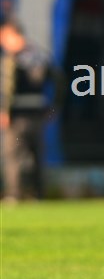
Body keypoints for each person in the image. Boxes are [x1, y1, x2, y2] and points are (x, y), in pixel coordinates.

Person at [0, 17, 63, 202]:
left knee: (13, 156)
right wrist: (53, 109)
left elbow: (7, 87)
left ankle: (14, 195)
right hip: (38, 115)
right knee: (37, 156)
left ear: (12, 35)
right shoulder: (40, 55)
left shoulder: (12, 60)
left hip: (17, 116)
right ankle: (38, 195)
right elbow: (60, 82)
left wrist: (4, 110)